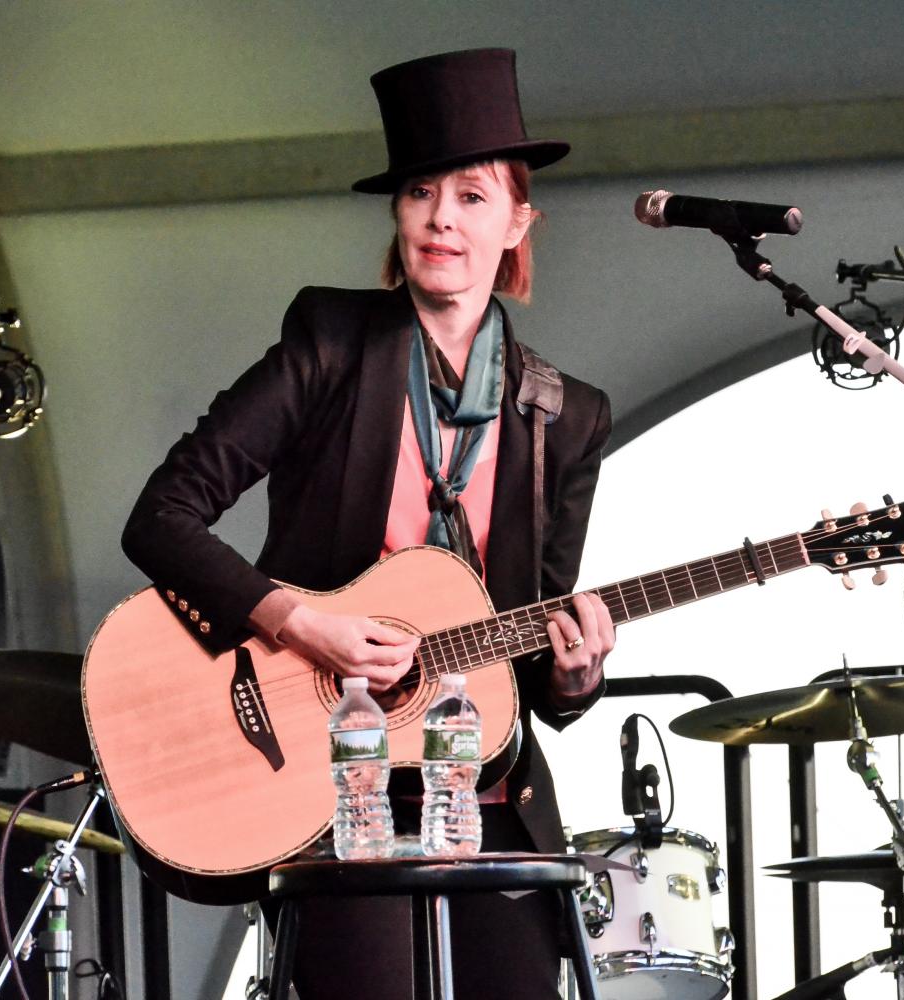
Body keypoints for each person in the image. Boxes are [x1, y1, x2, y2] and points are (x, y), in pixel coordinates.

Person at [122, 47, 615, 999]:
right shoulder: (329, 345)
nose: (442, 219)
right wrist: (297, 622)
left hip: (483, 791)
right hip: (330, 777)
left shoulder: (568, 415)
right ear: (396, 212)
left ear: (517, 220)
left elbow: (541, 675)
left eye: (472, 196)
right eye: (420, 192)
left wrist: (576, 671)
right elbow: (161, 517)